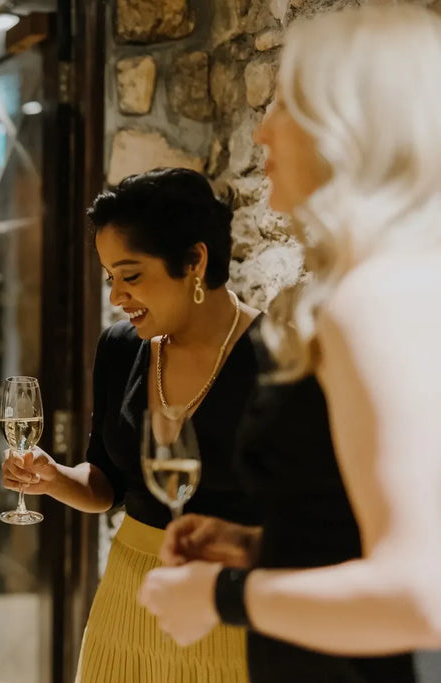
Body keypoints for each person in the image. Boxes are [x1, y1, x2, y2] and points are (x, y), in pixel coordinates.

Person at [138, 5, 441, 681]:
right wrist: (262, 546)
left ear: (350, 128)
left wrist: (220, 597)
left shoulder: (376, 302)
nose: (265, 131)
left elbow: (422, 594)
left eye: (287, 106)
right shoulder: (410, 287)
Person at [2, 167, 262, 682]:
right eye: (109, 279)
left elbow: (306, 518)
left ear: (194, 260)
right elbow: (108, 488)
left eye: (132, 275)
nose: (117, 296)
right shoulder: (121, 348)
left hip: (224, 610)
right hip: (127, 601)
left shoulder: (274, 360)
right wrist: (54, 478)